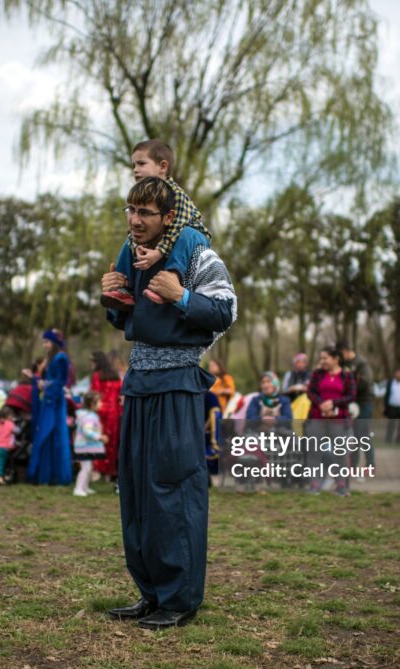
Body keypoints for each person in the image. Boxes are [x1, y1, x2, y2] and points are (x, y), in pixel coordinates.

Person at [101, 176, 237, 629]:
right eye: (130, 211)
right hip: (139, 382)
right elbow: (132, 318)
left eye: (145, 214)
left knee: (173, 491)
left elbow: (226, 311)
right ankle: (151, 593)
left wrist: (181, 295)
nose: (135, 221)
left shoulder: (196, 250)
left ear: (167, 216)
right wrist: (114, 297)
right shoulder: (135, 254)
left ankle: (180, 599)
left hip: (178, 384)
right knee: (137, 492)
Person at [100, 139, 212, 310]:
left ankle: (171, 277)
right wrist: (136, 245)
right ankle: (122, 287)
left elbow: (178, 227)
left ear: (163, 167)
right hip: (166, 240)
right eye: (133, 166)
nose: (135, 170)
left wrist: (159, 252)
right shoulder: (144, 195)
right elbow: (134, 229)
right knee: (128, 243)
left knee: (186, 236)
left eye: (141, 164)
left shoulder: (174, 195)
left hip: (190, 239)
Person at [306, 347, 357, 496]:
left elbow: (351, 395)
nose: (322, 361)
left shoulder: (347, 376)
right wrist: (321, 403)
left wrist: (333, 403)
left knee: (340, 453)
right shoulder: (317, 374)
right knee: (314, 451)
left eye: (325, 358)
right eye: (320, 358)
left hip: (339, 420)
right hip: (317, 418)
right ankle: (314, 484)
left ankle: (341, 485)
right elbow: (310, 392)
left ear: (336, 359)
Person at [28, 329, 73, 486]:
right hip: (48, 399)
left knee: (55, 435)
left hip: (54, 401)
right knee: (47, 435)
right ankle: (47, 475)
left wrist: (45, 385)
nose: (44, 345)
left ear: (54, 343)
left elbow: (61, 381)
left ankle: (57, 475)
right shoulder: (52, 358)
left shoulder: (61, 358)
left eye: (46, 342)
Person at [336, 341, 375, 471]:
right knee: (352, 435)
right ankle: (353, 464)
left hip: (364, 403)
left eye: (340, 354)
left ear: (345, 350)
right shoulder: (343, 364)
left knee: (362, 433)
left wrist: (350, 390)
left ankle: (370, 464)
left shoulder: (361, 363)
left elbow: (365, 382)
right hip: (350, 403)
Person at [89, 351, 123, 481]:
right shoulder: (116, 376)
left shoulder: (98, 376)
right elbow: (120, 395)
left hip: (101, 413)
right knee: (112, 443)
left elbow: (94, 394)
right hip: (114, 413)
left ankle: (97, 471)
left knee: (98, 440)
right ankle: (109, 473)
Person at [73, 391, 106, 497]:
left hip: (85, 446)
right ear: (92, 404)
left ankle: (84, 487)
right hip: (84, 447)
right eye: (99, 402)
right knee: (85, 468)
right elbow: (87, 431)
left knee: (88, 468)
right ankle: (78, 488)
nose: (101, 404)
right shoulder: (89, 417)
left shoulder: (89, 415)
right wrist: (99, 437)